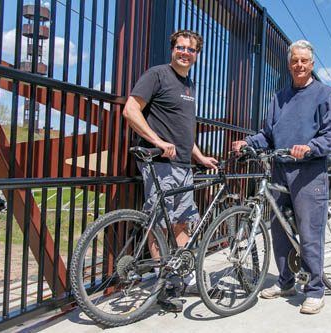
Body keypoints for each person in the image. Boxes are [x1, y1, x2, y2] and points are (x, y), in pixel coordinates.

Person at [232, 40, 331, 315]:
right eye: (295, 60)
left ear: (312, 64)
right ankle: (285, 281)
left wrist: (310, 147)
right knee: (279, 229)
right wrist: (248, 143)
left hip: (309, 170)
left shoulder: (324, 93)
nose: (299, 65)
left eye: (304, 60)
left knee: (309, 232)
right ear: (289, 63)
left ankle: (315, 290)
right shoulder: (279, 97)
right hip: (280, 167)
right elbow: (268, 134)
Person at [123, 30, 217, 312]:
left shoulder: (189, 85)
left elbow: (183, 127)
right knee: (159, 226)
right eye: (180, 47)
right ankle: (162, 284)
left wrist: (199, 156)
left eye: (191, 49)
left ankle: (182, 277)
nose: (185, 53)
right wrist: (157, 141)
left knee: (181, 223)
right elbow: (130, 110)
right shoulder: (157, 74)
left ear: (197, 55)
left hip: (184, 165)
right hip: (161, 164)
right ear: (172, 49)